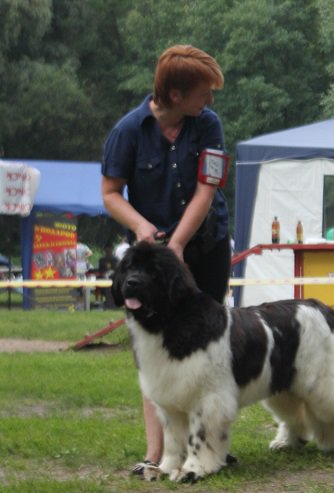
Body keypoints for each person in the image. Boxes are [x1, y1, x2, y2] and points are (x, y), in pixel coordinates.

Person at [101, 44, 232, 474]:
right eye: (203, 92)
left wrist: (177, 244)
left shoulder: (207, 125)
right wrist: (141, 228)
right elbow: (109, 193)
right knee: (153, 349)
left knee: (210, 351)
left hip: (205, 247)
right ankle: (156, 455)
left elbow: (205, 190)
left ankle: (209, 446)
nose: (209, 101)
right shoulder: (128, 131)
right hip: (151, 264)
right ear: (176, 95)